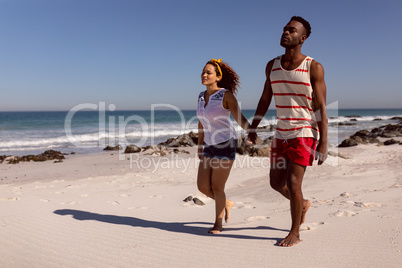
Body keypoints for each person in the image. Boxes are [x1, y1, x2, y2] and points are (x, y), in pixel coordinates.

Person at [248, 16, 328, 247]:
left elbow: (321, 106)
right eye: (284, 28)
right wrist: (254, 125)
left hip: (304, 131)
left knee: (294, 183)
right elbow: (265, 98)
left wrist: (323, 141)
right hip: (281, 132)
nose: (285, 32)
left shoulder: (313, 67)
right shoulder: (271, 65)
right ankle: (301, 204)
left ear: (302, 38)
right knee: (275, 183)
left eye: (291, 30)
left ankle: (295, 232)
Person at [197, 58, 250, 234]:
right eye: (203, 72)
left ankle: (218, 224)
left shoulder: (225, 95)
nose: (204, 75)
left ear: (218, 77)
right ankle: (226, 203)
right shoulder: (200, 96)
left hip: (225, 144)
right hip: (209, 145)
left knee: (218, 187)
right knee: (203, 186)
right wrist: (199, 145)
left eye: (208, 72)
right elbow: (201, 122)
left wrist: (252, 131)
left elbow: (239, 117)